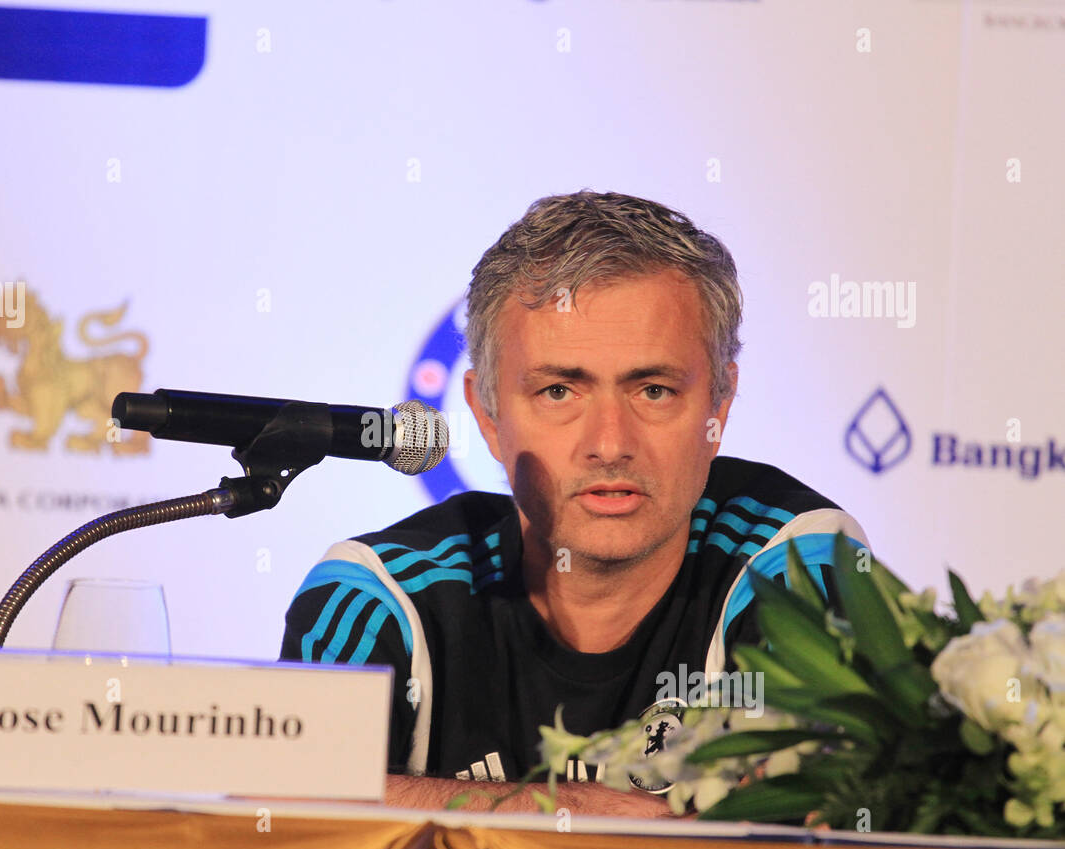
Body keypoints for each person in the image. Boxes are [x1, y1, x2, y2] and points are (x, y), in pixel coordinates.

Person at [279, 191, 869, 816]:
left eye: (655, 389)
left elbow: (813, 827)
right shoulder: (378, 596)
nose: (610, 444)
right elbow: (283, 809)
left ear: (718, 406)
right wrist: (571, 816)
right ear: (487, 412)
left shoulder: (798, 561)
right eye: (559, 390)